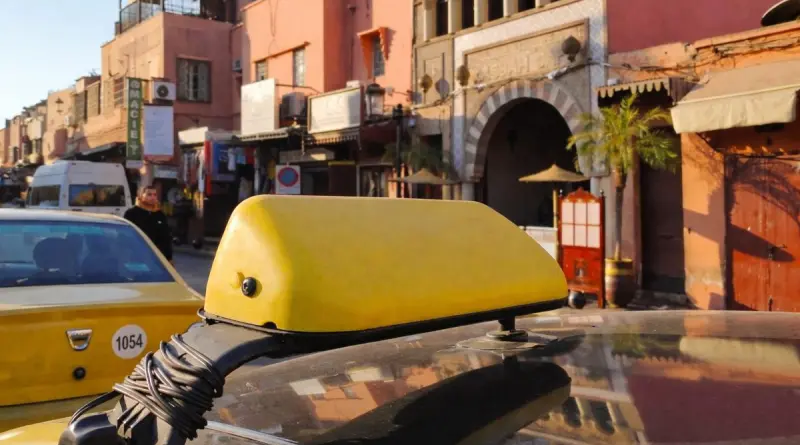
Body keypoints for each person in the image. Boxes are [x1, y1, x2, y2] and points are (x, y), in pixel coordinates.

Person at [124, 185, 173, 263]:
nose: (153, 197)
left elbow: (165, 238)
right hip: (137, 256)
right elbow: (126, 236)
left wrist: (168, 258)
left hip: (157, 258)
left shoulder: (160, 214)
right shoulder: (131, 213)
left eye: (155, 195)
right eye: (149, 194)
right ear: (141, 195)